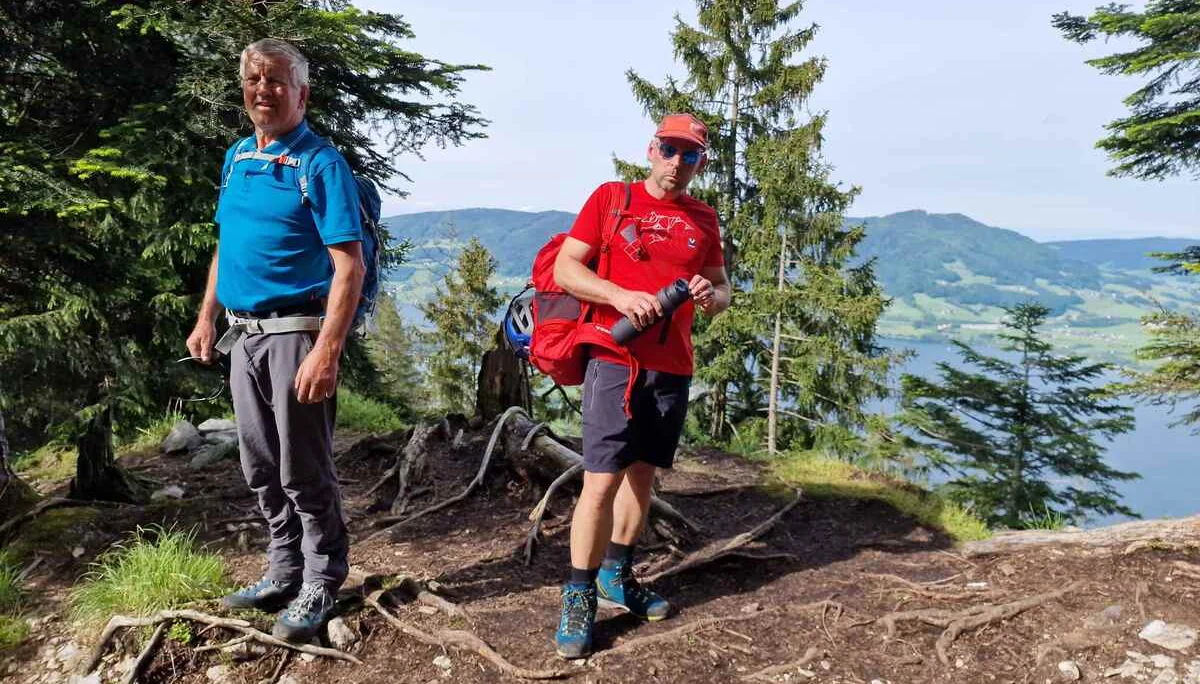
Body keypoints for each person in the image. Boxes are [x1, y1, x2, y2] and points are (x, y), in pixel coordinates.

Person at [185, 38, 365, 643]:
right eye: (254, 79)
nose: (264, 89)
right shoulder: (238, 157)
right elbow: (228, 244)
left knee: (303, 467)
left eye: (277, 80)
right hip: (243, 334)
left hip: (296, 333)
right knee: (260, 464)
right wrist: (207, 317)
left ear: (301, 93)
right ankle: (284, 570)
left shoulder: (320, 164)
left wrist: (327, 350)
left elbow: (349, 266)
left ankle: (322, 578)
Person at [550, 113, 732, 658]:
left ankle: (617, 575)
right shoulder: (613, 199)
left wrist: (711, 297)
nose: (678, 162)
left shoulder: (703, 218)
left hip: (672, 366)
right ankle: (579, 593)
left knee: (642, 476)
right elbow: (566, 269)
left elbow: (722, 289)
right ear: (652, 149)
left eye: (690, 154)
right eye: (670, 149)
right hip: (614, 358)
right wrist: (619, 296)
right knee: (601, 480)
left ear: (701, 162)